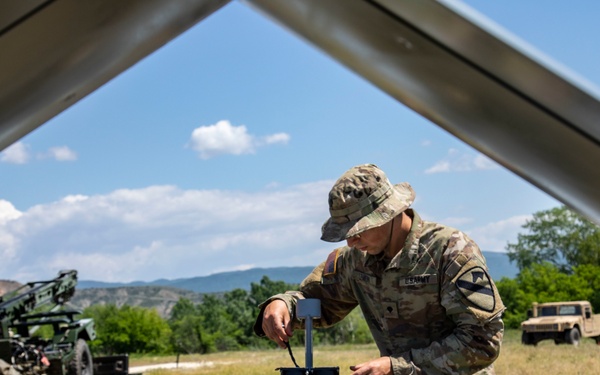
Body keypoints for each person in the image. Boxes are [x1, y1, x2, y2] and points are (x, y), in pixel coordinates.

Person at [254, 163, 505, 375]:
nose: (351, 242)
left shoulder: (451, 251)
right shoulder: (355, 259)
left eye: (358, 230)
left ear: (388, 214)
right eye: (345, 234)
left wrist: (397, 367)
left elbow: (482, 341)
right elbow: (316, 301)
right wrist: (282, 304)